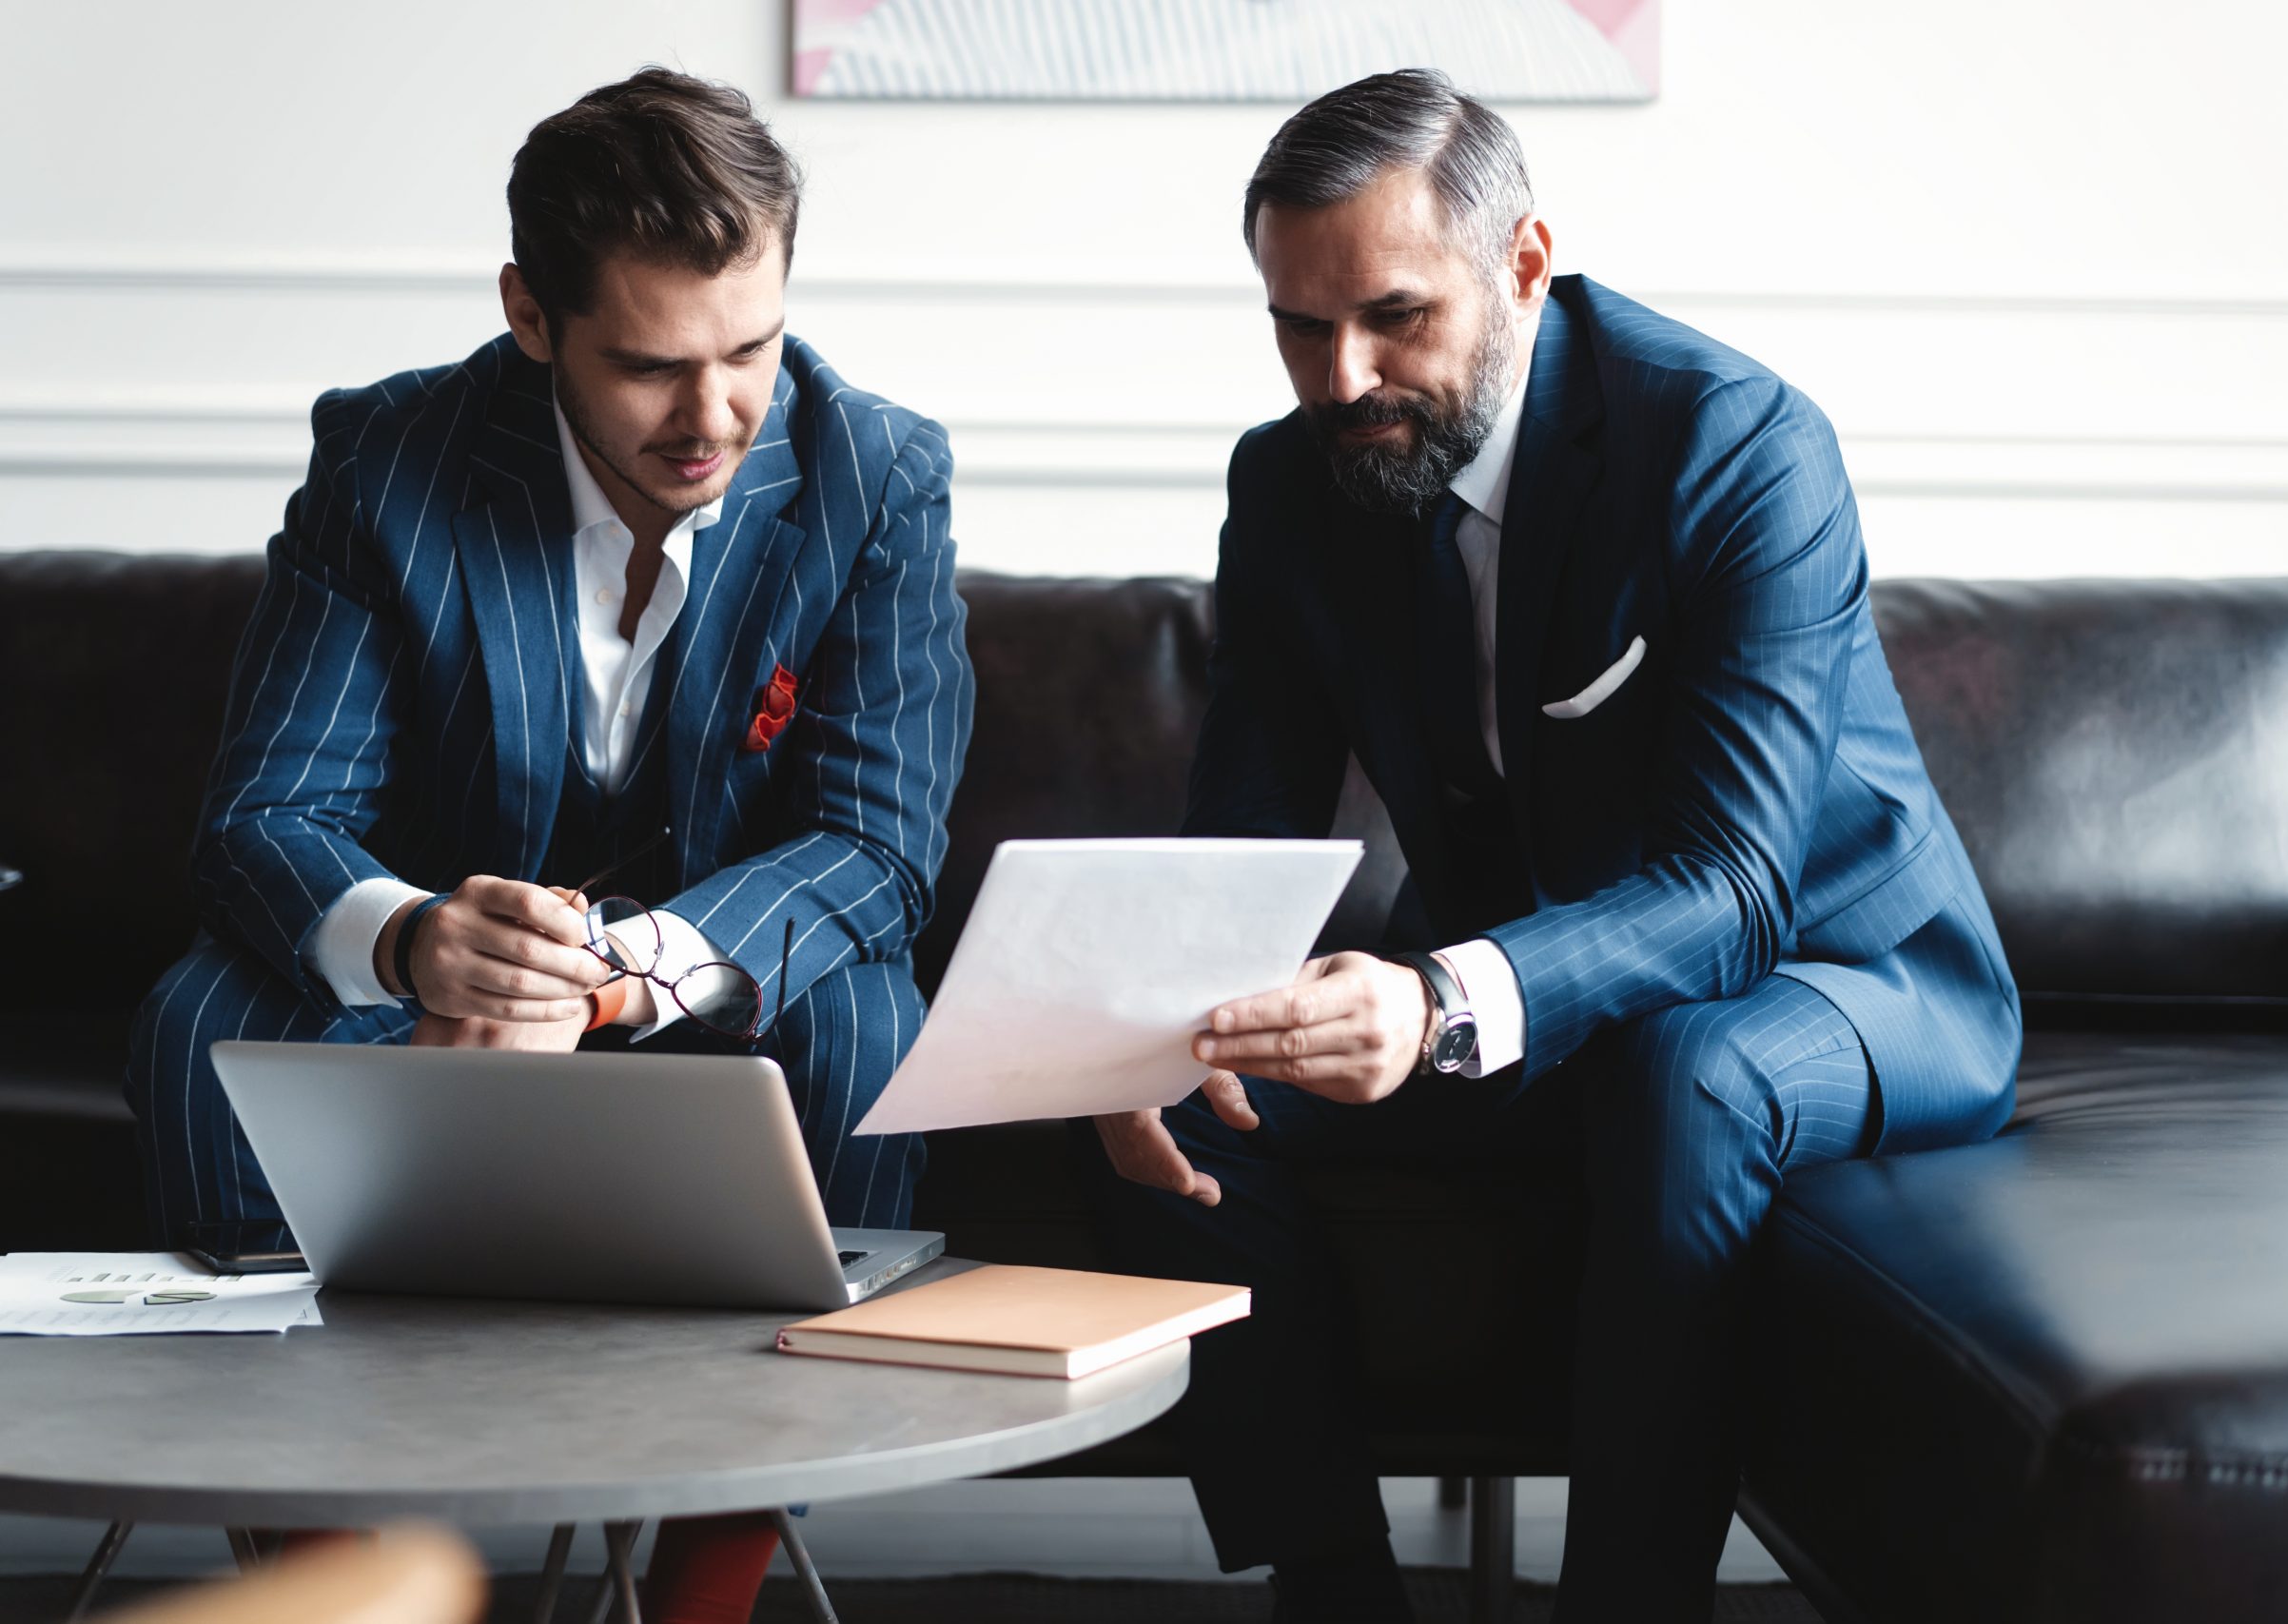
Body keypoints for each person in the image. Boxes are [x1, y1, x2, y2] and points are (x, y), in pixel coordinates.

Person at [1079, 68, 2022, 1623]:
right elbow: (1236, 840)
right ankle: (1332, 1582)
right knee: (1175, 1095)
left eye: (1392, 315)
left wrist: (1439, 1003)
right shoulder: (1294, 481)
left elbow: (1731, 893)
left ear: (1523, 263)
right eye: (1299, 327)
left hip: (1850, 975)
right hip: (1546, 996)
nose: (1341, 374)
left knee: (1690, 1069)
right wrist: (1143, 1031)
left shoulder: (1736, 444)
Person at [123, 68, 972, 1624]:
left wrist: (629, 976)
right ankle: (319, 1572)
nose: (714, 419)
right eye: (651, 367)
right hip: (438, 984)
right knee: (200, 1019)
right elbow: (267, 813)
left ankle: (714, 1580)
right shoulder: (392, 460)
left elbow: (874, 845)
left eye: (753, 352)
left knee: (868, 1017)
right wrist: (412, 937)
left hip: (710, 977)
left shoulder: (876, 473)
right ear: (533, 316)